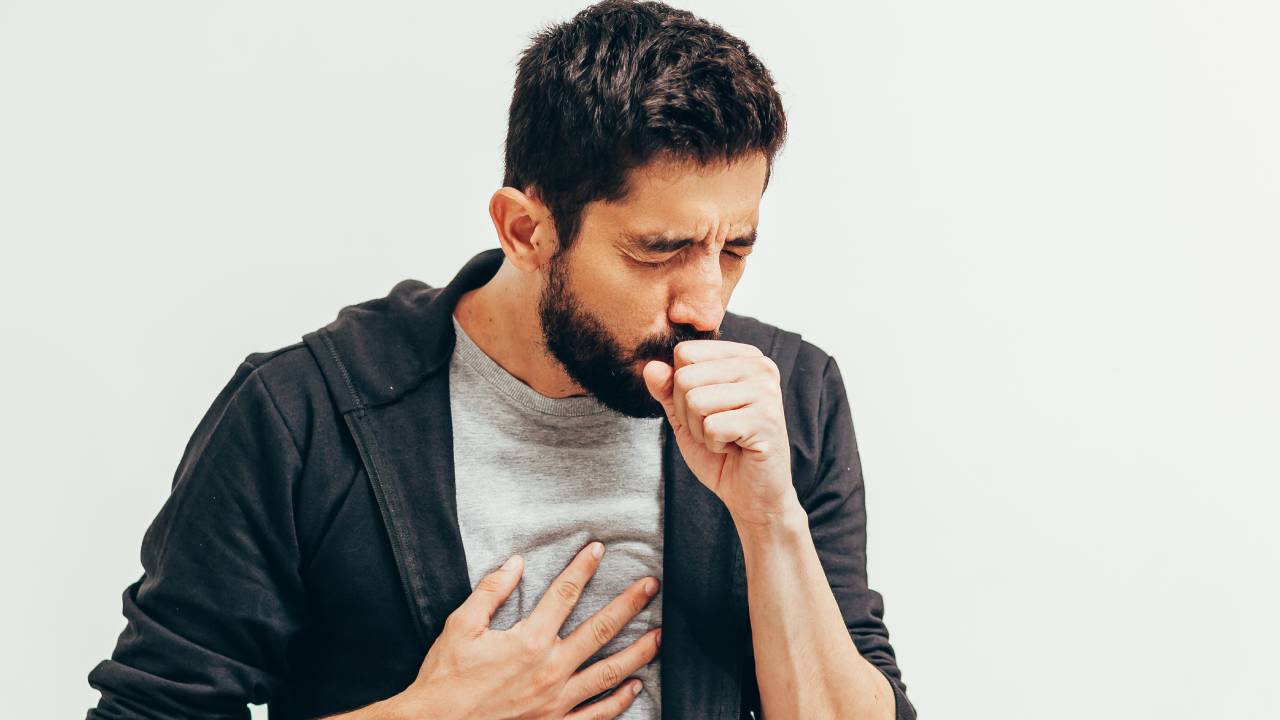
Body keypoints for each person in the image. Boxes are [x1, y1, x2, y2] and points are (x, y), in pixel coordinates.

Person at [86, 1, 915, 718]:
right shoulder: (302, 416)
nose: (706, 305)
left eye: (734, 249)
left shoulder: (788, 400)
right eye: (658, 251)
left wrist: (771, 521)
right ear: (525, 230)